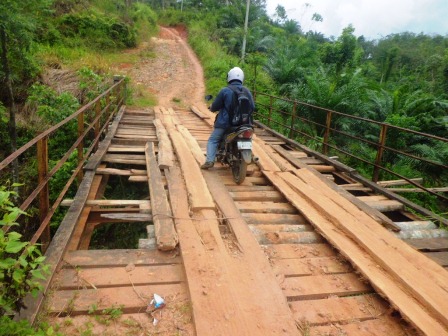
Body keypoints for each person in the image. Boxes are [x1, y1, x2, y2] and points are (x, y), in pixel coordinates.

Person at [201, 67, 255, 170]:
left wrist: (211, 107)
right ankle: (250, 156)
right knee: (248, 138)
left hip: (225, 124)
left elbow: (216, 105)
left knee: (213, 140)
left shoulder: (225, 90)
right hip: (244, 124)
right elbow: (252, 107)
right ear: (242, 78)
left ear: (229, 77)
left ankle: (209, 161)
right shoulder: (247, 91)